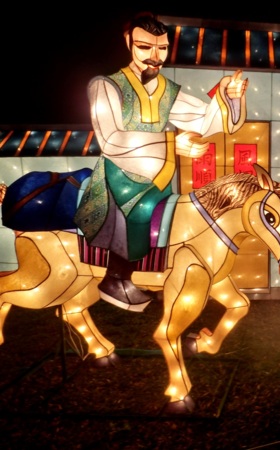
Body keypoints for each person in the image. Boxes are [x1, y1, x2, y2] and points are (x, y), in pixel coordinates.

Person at [74, 12, 248, 312]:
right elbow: (111, 139)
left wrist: (229, 97)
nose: (155, 57)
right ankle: (115, 277)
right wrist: (170, 143)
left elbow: (206, 122)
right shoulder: (106, 86)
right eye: (145, 47)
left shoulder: (167, 91)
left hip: (160, 174)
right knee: (140, 210)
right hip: (120, 174)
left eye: (162, 49)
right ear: (128, 43)